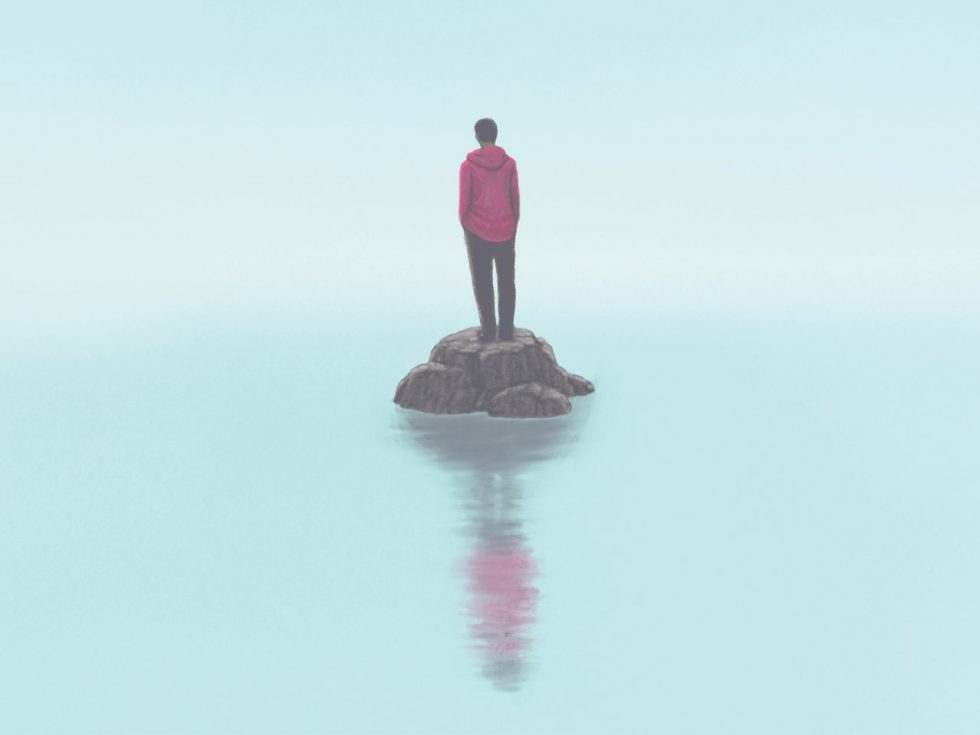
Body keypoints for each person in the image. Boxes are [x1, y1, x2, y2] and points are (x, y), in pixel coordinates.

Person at [459, 118, 520, 343]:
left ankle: (488, 331)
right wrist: (513, 223)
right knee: (507, 281)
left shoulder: (468, 166)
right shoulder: (510, 163)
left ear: (477, 136)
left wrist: (466, 222)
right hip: (505, 228)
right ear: (496, 135)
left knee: (482, 281)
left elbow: (463, 202)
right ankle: (506, 330)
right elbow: (515, 198)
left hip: (476, 230)